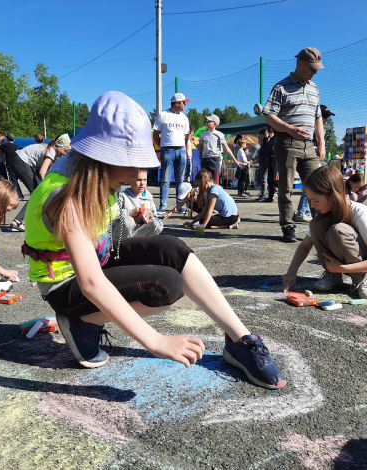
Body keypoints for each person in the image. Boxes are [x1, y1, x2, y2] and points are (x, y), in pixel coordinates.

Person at [23, 91, 285, 389]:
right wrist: (155, 341)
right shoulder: (68, 195)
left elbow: (112, 237)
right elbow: (91, 283)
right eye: (132, 162)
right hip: (64, 284)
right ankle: (85, 321)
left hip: (96, 259)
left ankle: (241, 340)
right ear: (102, 157)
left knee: (171, 247)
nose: (140, 173)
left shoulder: (98, 180)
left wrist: (137, 220)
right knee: (166, 286)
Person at [282, 166, 367, 300]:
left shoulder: (361, 214)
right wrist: (292, 271)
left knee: (338, 230)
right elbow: (305, 245)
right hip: (340, 266)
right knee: (317, 225)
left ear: (333, 196)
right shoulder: (324, 214)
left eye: (316, 201)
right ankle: (333, 276)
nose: (313, 205)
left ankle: (363, 280)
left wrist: (342, 268)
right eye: (310, 200)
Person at [263, 47, 326, 242]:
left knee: (319, 186)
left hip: (309, 145)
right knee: (286, 187)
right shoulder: (281, 87)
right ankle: (288, 227)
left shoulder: (314, 88)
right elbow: (269, 116)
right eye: (312, 68)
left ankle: (321, 226)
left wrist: (321, 143)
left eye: (316, 69)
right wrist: (290, 129)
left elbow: (318, 117)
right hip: (287, 142)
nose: (314, 72)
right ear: (300, 63)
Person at [8, 134, 71, 232]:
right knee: (36, 194)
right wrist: (45, 186)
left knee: (37, 193)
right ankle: (17, 221)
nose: (64, 153)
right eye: (65, 150)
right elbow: (42, 172)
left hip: (18, 160)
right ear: (59, 146)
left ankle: (23, 219)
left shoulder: (49, 148)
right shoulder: (51, 151)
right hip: (20, 162)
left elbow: (41, 168)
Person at [153, 93, 191, 215]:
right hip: (167, 150)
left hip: (181, 150)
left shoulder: (184, 118)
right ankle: (163, 206)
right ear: (177, 103)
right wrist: (163, 146)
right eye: (184, 102)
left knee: (180, 180)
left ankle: (180, 205)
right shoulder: (163, 115)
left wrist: (181, 146)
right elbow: (155, 134)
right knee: (165, 179)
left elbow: (186, 136)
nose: (185, 105)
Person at [112, 168, 163, 239]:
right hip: (122, 235)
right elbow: (113, 215)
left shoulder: (149, 197)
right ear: (129, 181)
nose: (142, 183)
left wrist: (150, 216)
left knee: (158, 224)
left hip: (139, 232)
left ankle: (141, 244)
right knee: (128, 221)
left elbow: (155, 217)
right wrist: (130, 213)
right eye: (138, 180)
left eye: (145, 180)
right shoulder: (122, 196)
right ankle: (123, 246)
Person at [197, 114, 240, 186]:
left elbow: (227, 149)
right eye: (206, 121)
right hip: (204, 159)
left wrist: (236, 161)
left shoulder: (219, 134)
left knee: (214, 182)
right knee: (204, 181)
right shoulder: (203, 134)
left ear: (215, 124)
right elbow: (201, 149)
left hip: (214, 160)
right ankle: (205, 196)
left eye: (209, 122)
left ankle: (214, 196)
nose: (206, 123)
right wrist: (195, 143)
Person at [0, 133, 24, 199]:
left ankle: (17, 194)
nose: (4, 139)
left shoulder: (5, 146)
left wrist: (2, 150)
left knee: (11, 180)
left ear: (7, 139)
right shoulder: (16, 146)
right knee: (13, 179)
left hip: (9, 165)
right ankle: (19, 194)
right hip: (15, 164)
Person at [254, 127, 278, 202]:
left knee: (271, 179)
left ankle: (285, 188)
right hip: (269, 161)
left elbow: (267, 147)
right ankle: (270, 196)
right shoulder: (270, 139)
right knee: (270, 180)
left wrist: (265, 138)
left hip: (271, 161)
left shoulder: (272, 138)